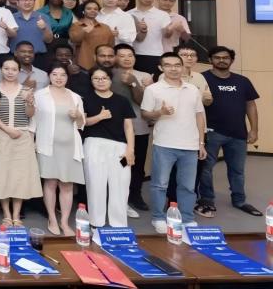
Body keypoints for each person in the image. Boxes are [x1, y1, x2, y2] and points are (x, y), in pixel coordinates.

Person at [141, 52, 206, 233]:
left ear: (182, 67)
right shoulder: (153, 89)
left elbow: (199, 115)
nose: (173, 69)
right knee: (160, 184)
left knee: (188, 186)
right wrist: (159, 112)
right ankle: (158, 217)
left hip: (191, 145)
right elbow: (145, 114)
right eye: (168, 65)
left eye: (177, 65)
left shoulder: (192, 89)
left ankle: (187, 218)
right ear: (161, 68)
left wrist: (201, 143)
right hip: (164, 144)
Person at [197, 46, 262, 218]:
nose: (221, 60)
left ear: (231, 60)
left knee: (237, 170)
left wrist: (254, 130)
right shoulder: (202, 79)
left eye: (225, 58)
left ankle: (239, 201)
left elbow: (251, 105)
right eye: (217, 57)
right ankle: (207, 200)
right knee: (206, 169)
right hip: (211, 133)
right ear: (210, 60)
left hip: (238, 134)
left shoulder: (242, 81)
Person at [31, 64, 86, 236]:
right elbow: (33, 121)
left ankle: (64, 222)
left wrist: (78, 116)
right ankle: (52, 219)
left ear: (68, 77)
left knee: (67, 184)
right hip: (48, 145)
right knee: (50, 183)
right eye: (55, 74)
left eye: (62, 75)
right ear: (49, 76)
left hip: (70, 146)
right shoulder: (40, 95)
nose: (59, 78)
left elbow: (81, 124)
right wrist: (32, 141)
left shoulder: (75, 96)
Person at [81, 67, 136, 227]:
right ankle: (96, 222)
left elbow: (128, 127)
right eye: (96, 78)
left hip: (120, 148)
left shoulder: (122, 100)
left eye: (104, 78)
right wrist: (99, 117)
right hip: (94, 145)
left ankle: (118, 224)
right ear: (91, 81)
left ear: (110, 80)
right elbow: (82, 123)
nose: (101, 81)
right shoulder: (85, 99)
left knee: (121, 184)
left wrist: (130, 150)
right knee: (95, 184)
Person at [0, 57, 41, 227]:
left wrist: (29, 102)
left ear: (19, 71)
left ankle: (16, 215)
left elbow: (30, 114)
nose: (10, 72)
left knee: (20, 176)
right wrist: (7, 129)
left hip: (22, 135)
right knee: (3, 174)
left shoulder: (26, 90)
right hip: (1, 134)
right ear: (1, 70)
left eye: (14, 69)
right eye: (6, 68)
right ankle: (6, 214)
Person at [110, 44, 153, 214]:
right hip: (115, 128)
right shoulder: (109, 75)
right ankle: (117, 197)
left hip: (139, 126)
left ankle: (135, 195)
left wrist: (134, 83)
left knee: (137, 164)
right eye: (122, 55)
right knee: (119, 164)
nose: (127, 59)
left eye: (130, 55)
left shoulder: (145, 76)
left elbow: (144, 102)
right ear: (115, 58)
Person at [129, 0, 173, 76]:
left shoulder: (162, 14)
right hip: (132, 53)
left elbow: (167, 35)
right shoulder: (128, 14)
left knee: (152, 80)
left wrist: (169, 30)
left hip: (154, 54)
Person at [10, 0, 53, 69]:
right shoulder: (11, 17)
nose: (27, 2)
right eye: (23, 0)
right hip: (16, 58)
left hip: (39, 57)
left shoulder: (44, 17)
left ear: (34, 1)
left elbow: (49, 40)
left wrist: (45, 28)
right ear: (17, 2)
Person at [69, 0, 115, 70]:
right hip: (83, 63)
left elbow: (111, 46)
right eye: (89, 8)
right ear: (83, 11)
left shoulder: (105, 27)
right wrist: (84, 31)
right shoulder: (76, 25)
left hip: (103, 64)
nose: (92, 10)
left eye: (95, 9)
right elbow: (74, 40)